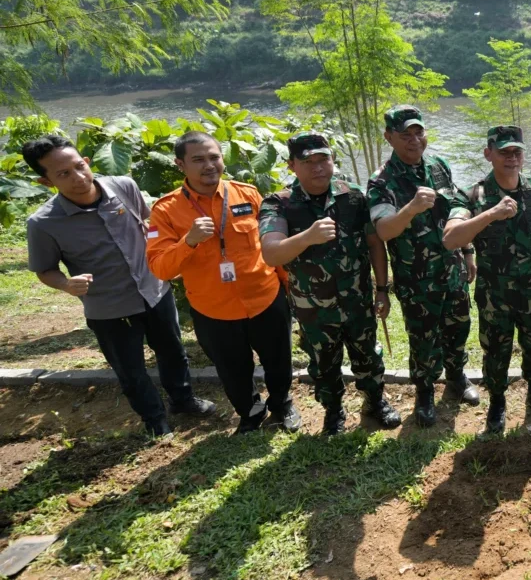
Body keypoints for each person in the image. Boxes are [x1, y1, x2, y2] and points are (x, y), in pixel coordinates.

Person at [23, 135, 214, 437]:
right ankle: (155, 420)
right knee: (131, 370)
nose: (79, 177)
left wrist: (171, 255)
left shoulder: (125, 187)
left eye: (79, 166)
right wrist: (66, 283)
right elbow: (45, 270)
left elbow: (152, 226)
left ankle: (183, 400)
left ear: (86, 161)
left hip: (155, 291)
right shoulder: (43, 223)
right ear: (46, 182)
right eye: (63, 174)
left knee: (173, 352)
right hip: (109, 308)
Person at [147, 131, 299, 434]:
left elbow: (270, 244)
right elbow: (160, 268)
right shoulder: (166, 210)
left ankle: (282, 405)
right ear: (181, 164)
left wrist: (286, 287)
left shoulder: (247, 194)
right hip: (213, 309)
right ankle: (250, 411)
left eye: (214, 157)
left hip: (265, 297)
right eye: (198, 159)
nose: (209, 165)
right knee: (233, 370)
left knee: (278, 360)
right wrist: (188, 241)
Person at [259, 133, 401, 435]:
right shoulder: (278, 204)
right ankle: (333, 410)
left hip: (358, 301)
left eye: (323, 159)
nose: (318, 167)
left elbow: (375, 244)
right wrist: (307, 237)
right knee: (324, 364)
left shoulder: (352, 198)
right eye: (308, 162)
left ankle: (375, 401)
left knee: (368, 355)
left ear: (332, 161)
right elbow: (271, 254)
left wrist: (381, 289)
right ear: (292, 165)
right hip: (313, 308)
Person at [443, 126, 531, 434]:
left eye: (517, 152)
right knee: (496, 349)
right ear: (489, 154)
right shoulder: (472, 195)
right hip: (494, 292)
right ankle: (497, 400)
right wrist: (490, 214)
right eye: (504, 152)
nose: (512, 158)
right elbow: (450, 238)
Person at [367, 105, 480, 427]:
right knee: (423, 338)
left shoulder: (438, 165)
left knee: (458, 327)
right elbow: (384, 229)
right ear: (389, 137)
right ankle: (425, 391)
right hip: (416, 279)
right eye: (406, 135)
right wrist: (411, 209)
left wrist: (468, 249)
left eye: (419, 133)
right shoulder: (382, 181)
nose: (415, 140)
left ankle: (457, 378)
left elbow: (457, 203)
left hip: (452, 269)